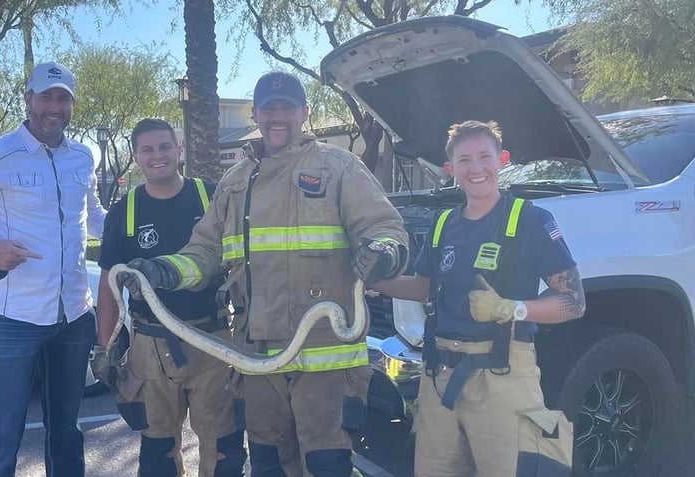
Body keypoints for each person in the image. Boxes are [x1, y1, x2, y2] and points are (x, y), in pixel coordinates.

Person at [119, 71, 409, 477]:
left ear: (304, 114)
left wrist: (384, 251)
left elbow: (385, 227)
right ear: (254, 113)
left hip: (325, 362)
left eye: (287, 109)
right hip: (258, 360)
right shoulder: (236, 183)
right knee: (269, 463)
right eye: (268, 109)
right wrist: (163, 271)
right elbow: (205, 249)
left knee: (325, 465)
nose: (277, 117)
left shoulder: (339, 167)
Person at [373, 120, 585, 477]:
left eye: (484, 157)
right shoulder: (442, 225)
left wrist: (513, 308)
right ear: (450, 169)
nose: (476, 169)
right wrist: (374, 279)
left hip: (502, 373)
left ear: (502, 160)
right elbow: (423, 288)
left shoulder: (530, 220)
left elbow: (574, 301)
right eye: (465, 160)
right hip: (439, 377)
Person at [0, 62, 107, 477]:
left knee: (67, 430)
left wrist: (139, 228)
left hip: (75, 315)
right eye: (46, 96)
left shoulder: (84, 156)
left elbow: (95, 216)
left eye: (63, 98)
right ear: (28, 99)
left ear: (72, 104)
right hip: (15, 317)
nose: (55, 107)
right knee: (3, 431)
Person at [91, 118, 247, 476]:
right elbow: (108, 286)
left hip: (213, 341)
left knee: (225, 451)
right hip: (152, 348)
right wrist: (104, 347)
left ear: (179, 150)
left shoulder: (211, 197)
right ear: (136, 157)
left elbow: (241, 264)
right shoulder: (124, 212)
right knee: (157, 453)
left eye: (164, 147)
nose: (157, 156)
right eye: (147, 149)